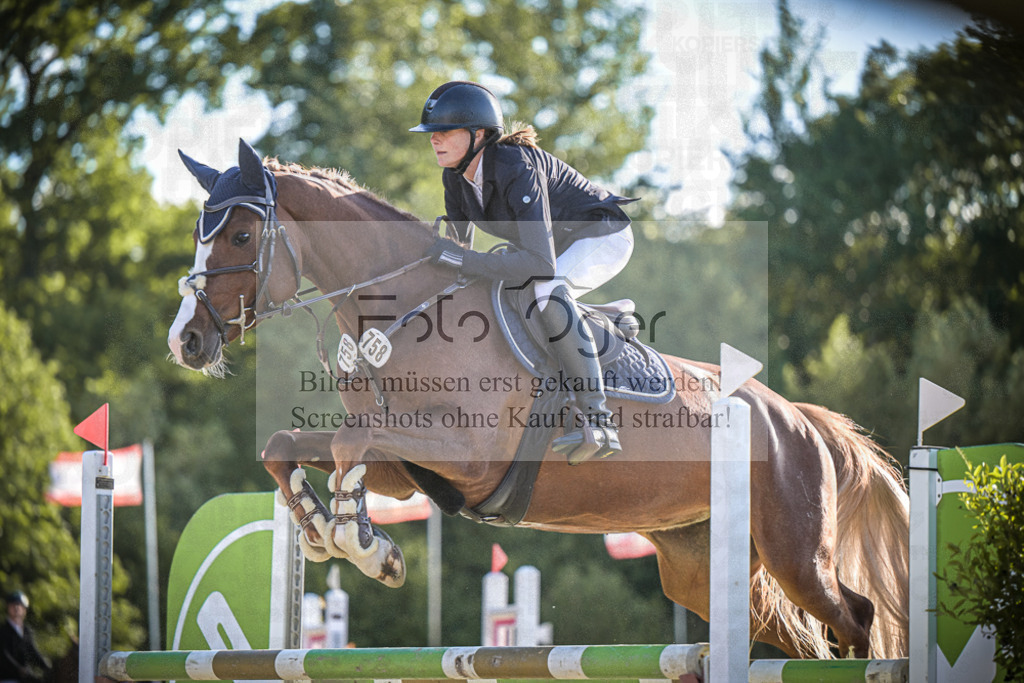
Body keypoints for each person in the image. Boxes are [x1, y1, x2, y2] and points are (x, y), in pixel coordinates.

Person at [410, 80, 637, 464]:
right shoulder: (455, 177)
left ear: (478, 134)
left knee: (544, 292)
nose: (435, 140)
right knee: (507, 294)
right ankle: (606, 319)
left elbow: (539, 264)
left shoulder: (515, 166)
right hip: (553, 245)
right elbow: (459, 255)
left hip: (602, 234)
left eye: (445, 132)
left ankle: (599, 420)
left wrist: (463, 261)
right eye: (432, 134)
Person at [0, 591, 50, 683]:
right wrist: (19, 669)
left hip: (24, 679)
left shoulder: (27, 631)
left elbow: (33, 651)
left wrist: (46, 666)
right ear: (8, 607)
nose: (16, 608)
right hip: (8, 678)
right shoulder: (3, 630)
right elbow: (4, 654)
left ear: (25, 609)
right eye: (13, 605)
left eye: (19, 605)